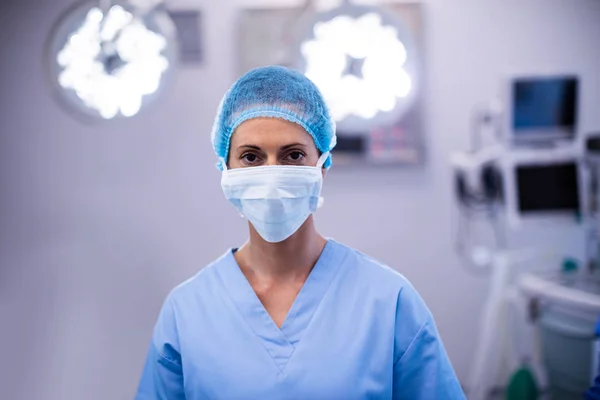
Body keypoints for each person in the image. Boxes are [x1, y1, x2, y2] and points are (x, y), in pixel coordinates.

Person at [135, 65, 465, 399]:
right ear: (225, 167)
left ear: (323, 166)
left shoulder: (387, 302)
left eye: (293, 155)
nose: (273, 174)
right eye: (251, 157)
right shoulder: (188, 311)